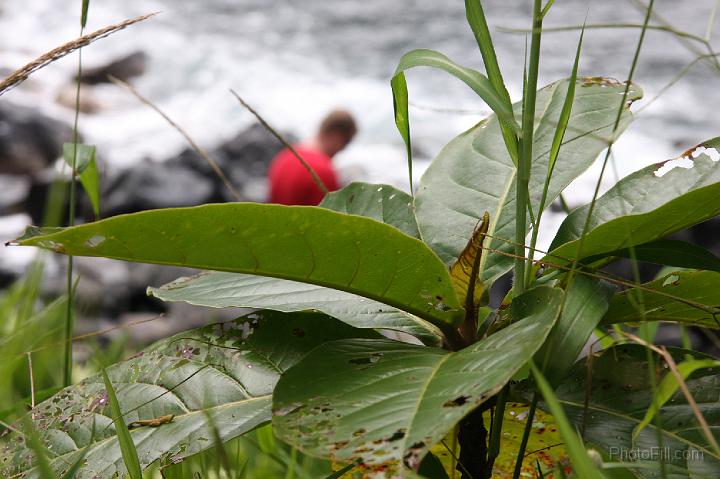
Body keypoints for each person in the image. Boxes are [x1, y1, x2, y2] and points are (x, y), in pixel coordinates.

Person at [268, 109, 357, 205]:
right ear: (336, 135)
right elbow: (328, 217)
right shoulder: (324, 171)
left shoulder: (283, 157)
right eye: (345, 143)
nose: (341, 150)